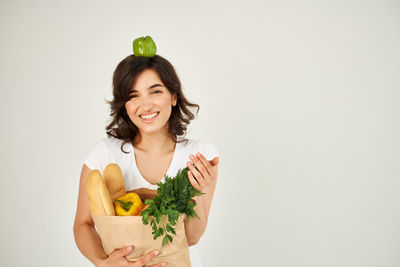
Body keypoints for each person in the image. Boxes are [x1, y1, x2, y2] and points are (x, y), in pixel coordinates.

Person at [73, 54, 220, 267]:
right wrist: (103, 262)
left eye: (155, 91)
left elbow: (191, 237)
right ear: (124, 105)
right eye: (133, 96)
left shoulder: (199, 155)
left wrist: (196, 192)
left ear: (174, 96)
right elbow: (82, 225)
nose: (146, 105)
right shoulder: (104, 154)